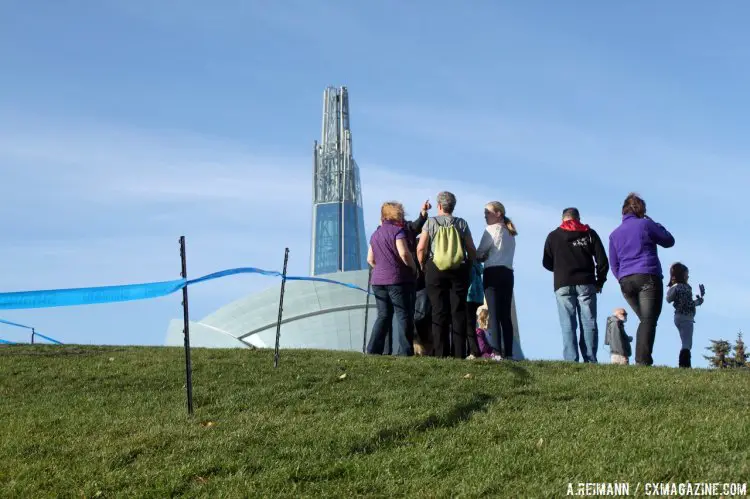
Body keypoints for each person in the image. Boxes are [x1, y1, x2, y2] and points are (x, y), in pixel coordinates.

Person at [609, 193, 675, 366]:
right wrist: (655, 223)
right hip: (647, 276)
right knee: (648, 321)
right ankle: (642, 362)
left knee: (646, 320)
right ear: (641, 210)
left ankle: (640, 360)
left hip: (626, 281)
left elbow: (613, 264)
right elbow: (669, 240)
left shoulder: (614, 234)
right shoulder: (645, 224)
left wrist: (622, 278)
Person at [542, 207, 609, 363]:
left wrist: (559, 268)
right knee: (589, 321)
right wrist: (600, 282)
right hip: (586, 282)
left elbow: (546, 262)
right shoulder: (589, 234)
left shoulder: (553, 236)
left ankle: (571, 360)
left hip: (563, 283)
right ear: (578, 218)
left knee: (567, 323)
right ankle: (590, 359)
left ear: (562, 218)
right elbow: (603, 261)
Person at [416, 191, 478, 358]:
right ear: (453, 206)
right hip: (458, 270)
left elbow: (421, 247)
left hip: (435, 269)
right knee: (458, 311)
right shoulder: (462, 223)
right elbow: (471, 248)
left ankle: (440, 353)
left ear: (440, 206)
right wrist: (470, 263)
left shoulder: (431, 222)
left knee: (438, 311)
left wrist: (422, 264)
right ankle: (458, 353)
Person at [366, 202, 417, 356]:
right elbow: (404, 254)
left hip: (378, 281)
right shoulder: (397, 231)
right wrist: (413, 268)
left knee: (383, 315)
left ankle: (373, 350)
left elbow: (370, 259)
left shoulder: (375, 234)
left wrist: (381, 268)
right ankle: (406, 351)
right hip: (397, 279)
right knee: (403, 314)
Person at [476, 201, 517, 360]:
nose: (485, 216)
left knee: (493, 313)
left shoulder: (491, 230)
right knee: (505, 315)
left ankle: (497, 351)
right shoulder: (510, 232)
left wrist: (480, 256)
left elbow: (480, 253)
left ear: (498, 213)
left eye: (488, 213)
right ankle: (509, 352)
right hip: (508, 272)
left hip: (492, 271)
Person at [666, 262, 705, 368]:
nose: (688, 276)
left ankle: (684, 365)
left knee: (685, 342)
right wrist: (698, 302)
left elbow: (669, 299)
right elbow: (687, 304)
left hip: (678, 316)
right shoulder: (686, 287)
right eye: (686, 274)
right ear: (682, 274)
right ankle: (684, 365)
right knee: (687, 343)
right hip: (686, 317)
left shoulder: (675, 287)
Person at [465, 261, 485, 359]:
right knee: (477, 325)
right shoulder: (478, 266)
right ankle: (480, 348)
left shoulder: (468, 264)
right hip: (479, 297)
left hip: (469, 296)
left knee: (469, 325)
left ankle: (473, 351)